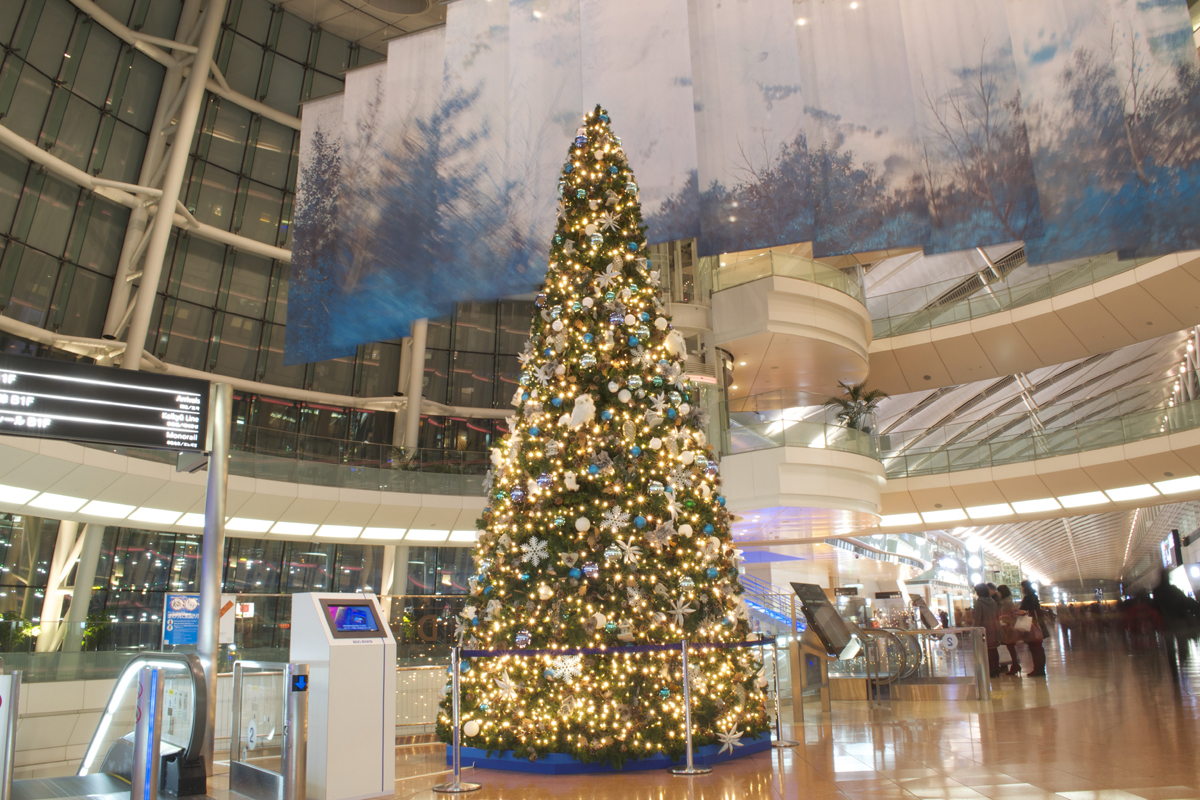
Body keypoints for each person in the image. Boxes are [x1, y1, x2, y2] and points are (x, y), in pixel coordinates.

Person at [973, 583, 1001, 678]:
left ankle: (990, 671)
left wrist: (974, 631)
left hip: (984, 631)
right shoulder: (992, 601)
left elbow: (977, 619)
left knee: (987, 651)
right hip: (994, 629)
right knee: (994, 650)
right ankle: (996, 669)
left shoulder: (979, 603)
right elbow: (997, 615)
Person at [1019, 580, 1047, 677]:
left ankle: (1039, 669)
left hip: (1033, 625)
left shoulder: (1030, 597)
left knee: (1036, 648)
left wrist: (1023, 611)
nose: (1021, 589)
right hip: (1035, 624)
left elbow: (1032, 610)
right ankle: (1039, 669)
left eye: (1022, 587)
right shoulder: (1032, 596)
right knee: (1037, 648)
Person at [996, 585, 1021, 676]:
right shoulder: (1003, 602)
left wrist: (1003, 617)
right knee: (1008, 647)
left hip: (1008, 628)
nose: (998, 594)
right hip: (1004, 627)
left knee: (1010, 646)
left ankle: (1015, 665)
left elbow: (1012, 614)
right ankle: (1012, 665)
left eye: (999, 592)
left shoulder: (1008, 602)